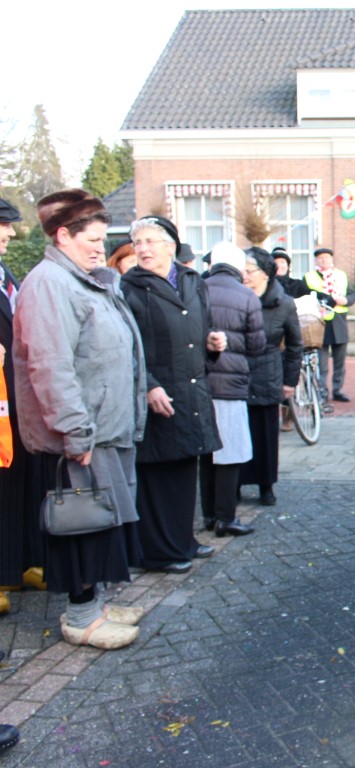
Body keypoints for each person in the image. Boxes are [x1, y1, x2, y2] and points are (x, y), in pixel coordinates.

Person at [13, 189, 148, 650]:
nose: (99, 247)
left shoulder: (84, 281)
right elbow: (50, 366)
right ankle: (82, 616)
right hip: (84, 434)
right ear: (62, 235)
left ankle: (99, 604)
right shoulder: (50, 284)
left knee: (103, 522)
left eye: (101, 238)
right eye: (90, 239)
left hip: (104, 428)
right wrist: (75, 430)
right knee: (83, 525)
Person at [121, 217, 223, 573]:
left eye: (149, 241)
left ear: (170, 246)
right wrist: (148, 384)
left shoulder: (193, 281)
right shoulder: (130, 288)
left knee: (184, 468)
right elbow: (127, 346)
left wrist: (212, 343)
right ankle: (159, 552)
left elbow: (202, 325)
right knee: (158, 473)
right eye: (137, 243)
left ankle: (183, 540)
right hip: (158, 391)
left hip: (190, 388)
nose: (142, 249)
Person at [0, 197, 49, 600]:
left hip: (18, 398)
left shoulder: (6, 274)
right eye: (4, 225)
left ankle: (20, 563)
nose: (11, 233)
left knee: (22, 481)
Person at [199, 242, 265, 537]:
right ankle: (226, 517)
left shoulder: (197, 289)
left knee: (206, 453)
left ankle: (209, 514)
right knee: (229, 451)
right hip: (231, 383)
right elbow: (257, 344)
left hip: (201, 382)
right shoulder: (247, 295)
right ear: (239, 268)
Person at [239, 247, 303, 506]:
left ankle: (266, 485)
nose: (244, 275)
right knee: (238, 432)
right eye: (242, 270)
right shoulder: (236, 297)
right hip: (237, 374)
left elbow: (295, 345)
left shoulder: (284, 303)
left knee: (265, 434)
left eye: (249, 270)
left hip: (268, 373)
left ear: (266, 273)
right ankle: (235, 483)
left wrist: (290, 381)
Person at [304, 247, 355, 403]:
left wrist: (346, 300)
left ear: (331, 259)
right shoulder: (309, 277)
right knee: (322, 363)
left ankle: (337, 390)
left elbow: (351, 294)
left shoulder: (341, 275)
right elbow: (306, 295)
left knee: (340, 362)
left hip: (339, 322)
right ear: (316, 260)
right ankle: (322, 391)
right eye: (320, 258)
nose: (324, 260)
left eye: (326, 257)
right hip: (319, 323)